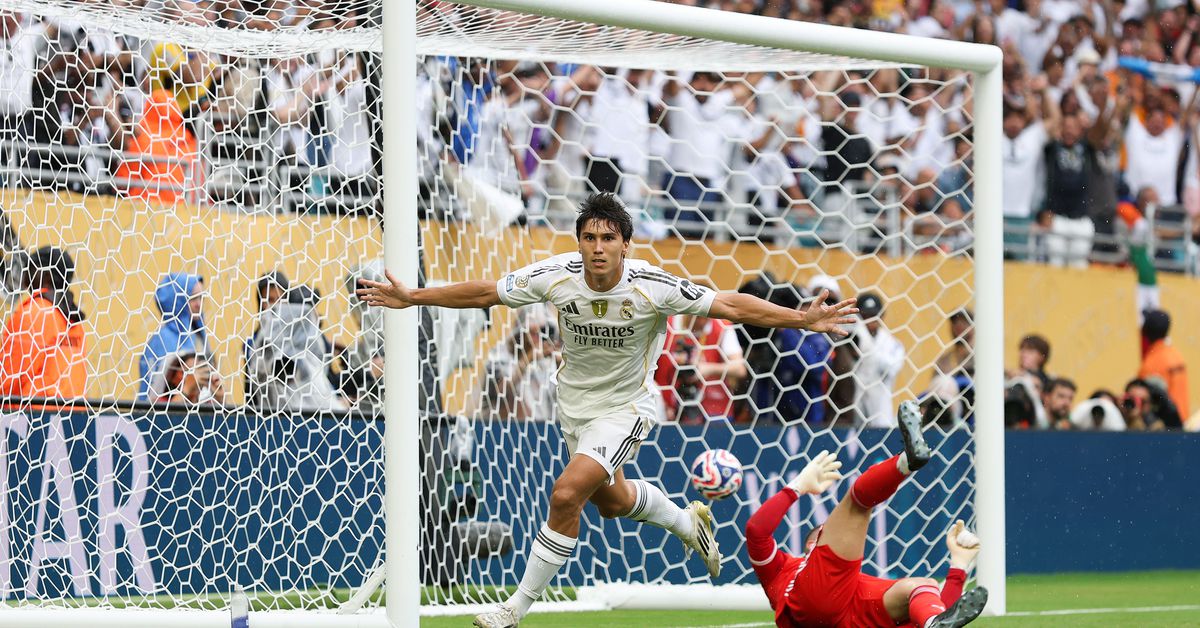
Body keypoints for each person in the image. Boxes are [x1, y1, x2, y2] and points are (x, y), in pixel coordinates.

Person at [356, 193, 857, 628]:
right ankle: (688, 523)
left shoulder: (650, 286)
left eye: (609, 238)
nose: (598, 247)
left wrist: (800, 320)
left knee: (566, 493)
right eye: (590, 237)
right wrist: (412, 297)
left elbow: (727, 305)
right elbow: (487, 291)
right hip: (574, 408)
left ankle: (515, 606)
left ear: (625, 245)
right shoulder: (556, 277)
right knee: (611, 502)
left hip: (628, 407)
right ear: (579, 242)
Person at [744, 401, 988, 628]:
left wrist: (959, 563)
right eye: (825, 532)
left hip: (840, 615)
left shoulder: (845, 584)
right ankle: (906, 462)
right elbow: (757, 531)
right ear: (812, 544)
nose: (840, 533)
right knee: (856, 504)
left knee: (923, 588)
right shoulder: (784, 569)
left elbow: (943, 610)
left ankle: (907, 462)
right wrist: (797, 486)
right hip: (814, 605)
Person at [0, 246, 87, 398]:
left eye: (31, 268)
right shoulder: (74, 321)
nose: (25, 274)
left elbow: (8, 378)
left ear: (46, 275)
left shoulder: (33, 314)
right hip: (74, 418)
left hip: (30, 417)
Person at [138, 272, 216, 401]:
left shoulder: (199, 337)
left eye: (201, 298)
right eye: (193, 298)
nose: (199, 304)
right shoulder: (161, 340)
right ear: (177, 300)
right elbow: (153, 395)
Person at [851, 292, 906, 428]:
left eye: (874, 316)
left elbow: (890, 369)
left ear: (882, 316)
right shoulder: (849, 341)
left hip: (880, 411)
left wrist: (866, 345)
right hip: (852, 410)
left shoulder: (893, 345)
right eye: (865, 316)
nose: (870, 321)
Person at [1138, 309, 1189, 419]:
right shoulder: (1176, 355)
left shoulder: (1151, 363)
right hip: (1181, 423)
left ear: (1145, 331)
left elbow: (1145, 403)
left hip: (1166, 429)